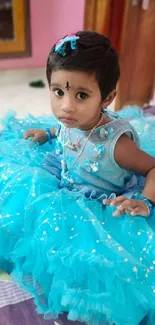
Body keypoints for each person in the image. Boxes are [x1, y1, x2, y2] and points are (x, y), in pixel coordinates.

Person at [0, 31, 155, 325]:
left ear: (107, 97)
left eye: (81, 95)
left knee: (95, 266)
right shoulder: (70, 121)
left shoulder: (117, 146)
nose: (66, 107)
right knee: (19, 195)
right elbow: (66, 130)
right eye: (58, 92)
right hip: (63, 183)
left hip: (100, 206)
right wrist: (48, 132)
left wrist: (146, 200)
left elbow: (153, 168)